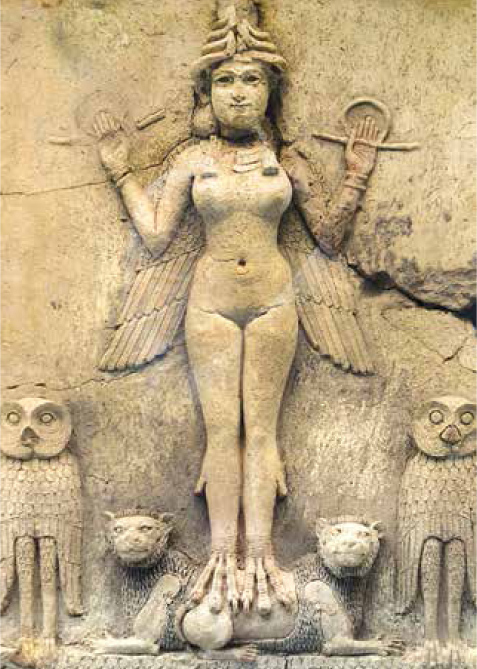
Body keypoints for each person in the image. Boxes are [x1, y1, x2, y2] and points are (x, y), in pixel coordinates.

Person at [93, 7, 378, 617]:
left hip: (274, 300)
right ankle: (223, 554)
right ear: (207, 93)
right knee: (223, 432)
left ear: (271, 92)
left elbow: (328, 238)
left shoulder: (288, 160)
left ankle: (261, 554)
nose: (239, 92)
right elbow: (156, 235)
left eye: (251, 80)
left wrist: (356, 175)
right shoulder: (192, 159)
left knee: (263, 432)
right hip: (211, 301)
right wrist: (120, 171)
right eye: (225, 81)